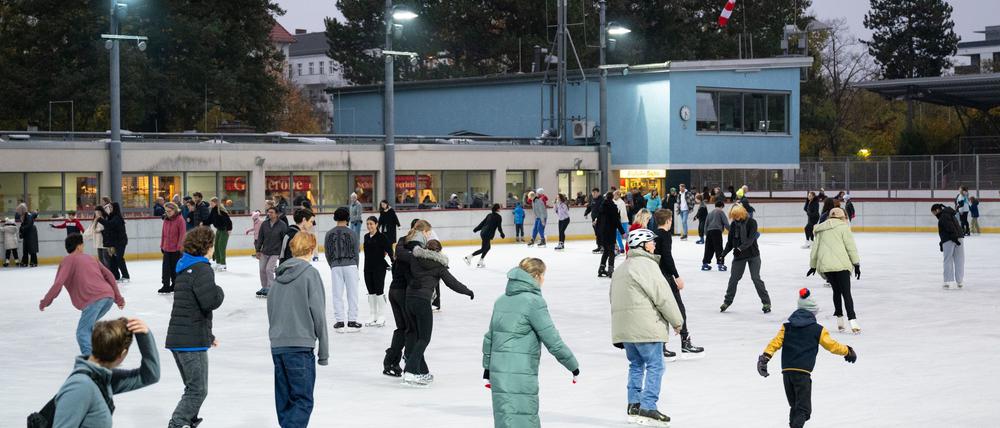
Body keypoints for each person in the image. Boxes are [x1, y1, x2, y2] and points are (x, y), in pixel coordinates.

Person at [482, 258, 579, 428]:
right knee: (524, 418)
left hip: (499, 372)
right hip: (520, 372)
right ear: (536, 276)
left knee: (506, 418)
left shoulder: (501, 300)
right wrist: (572, 364)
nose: (543, 280)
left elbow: (490, 337)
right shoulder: (533, 302)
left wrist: (487, 368)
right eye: (543, 275)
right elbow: (552, 339)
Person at [611, 228, 684, 426]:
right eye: (651, 241)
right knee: (655, 365)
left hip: (626, 330)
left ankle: (634, 405)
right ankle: (648, 407)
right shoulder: (648, 267)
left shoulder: (621, 269)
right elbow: (664, 297)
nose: (654, 245)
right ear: (642, 245)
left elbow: (613, 300)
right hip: (646, 327)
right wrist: (677, 322)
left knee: (636, 365)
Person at [757, 289, 856, 428]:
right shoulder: (817, 329)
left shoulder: (787, 327)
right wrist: (847, 351)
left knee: (795, 407)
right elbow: (831, 346)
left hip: (787, 372)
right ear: (812, 312)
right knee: (803, 409)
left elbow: (775, 343)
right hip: (802, 373)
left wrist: (764, 358)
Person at [46, 317, 160, 427]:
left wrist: (144, 336)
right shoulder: (81, 386)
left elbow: (150, 376)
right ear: (122, 354)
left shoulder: (103, 378)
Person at [165, 226, 225, 428]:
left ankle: (188, 420)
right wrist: (220, 291)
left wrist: (208, 335)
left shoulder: (184, 267)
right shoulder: (202, 268)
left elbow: (191, 308)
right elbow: (210, 301)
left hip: (180, 337)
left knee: (192, 387)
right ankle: (177, 423)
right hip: (190, 341)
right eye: (212, 244)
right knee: (198, 389)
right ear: (207, 246)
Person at [268, 232, 329, 427]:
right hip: (300, 347)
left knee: (284, 401)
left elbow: (272, 311)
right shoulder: (310, 274)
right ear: (311, 249)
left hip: (278, 346)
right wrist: (324, 352)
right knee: (302, 400)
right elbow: (318, 313)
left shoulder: (278, 277)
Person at [39, 234, 126, 356]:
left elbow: (58, 284)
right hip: (108, 298)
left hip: (93, 300)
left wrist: (45, 301)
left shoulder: (67, 261)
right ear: (79, 246)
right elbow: (110, 276)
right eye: (82, 245)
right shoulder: (91, 258)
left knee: (82, 332)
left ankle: (91, 361)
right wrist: (118, 298)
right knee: (89, 328)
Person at [404, 240, 474, 386]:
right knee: (424, 338)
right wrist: (468, 291)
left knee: (414, 335)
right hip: (423, 302)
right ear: (439, 252)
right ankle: (410, 372)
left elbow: (400, 255)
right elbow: (452, 283)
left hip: (409, 299)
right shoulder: (439, 266)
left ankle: (421, 371)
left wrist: (408, 244)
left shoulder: (415, 258)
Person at [383, 220, 432, 377]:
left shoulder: (403, 243)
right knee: (411, 330)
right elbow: (411, 270)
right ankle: (412, 364)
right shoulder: (413, 247)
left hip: (394, 290)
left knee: (403, 328)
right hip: (403, 292)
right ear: (421, 232)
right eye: (427, 233)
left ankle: (392, 361)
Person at [653, 209, 704, 357]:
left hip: (656, 276)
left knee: (661, 310)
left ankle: (661, 346)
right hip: (666, 277)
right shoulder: (665, 235)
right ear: (668, 221)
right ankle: (685, 342)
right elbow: (667, 257)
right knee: (678, 308)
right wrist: (676, 276)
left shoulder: (653, 235)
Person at [807, 208, 862, 334]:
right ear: (842, 217)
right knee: (846, 293)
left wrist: (813, 266)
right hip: (841, 266)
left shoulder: (820, 229)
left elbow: (815, 249)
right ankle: (853, 321)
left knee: (836, 292)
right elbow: (851, 247)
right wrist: (856, 264)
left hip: (827, 266)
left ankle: (840, 321)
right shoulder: (844, 227)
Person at [720, 204, 771, 313]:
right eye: (734, 216)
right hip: (739, 257)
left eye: (737, 216)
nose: (735, 218)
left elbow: (751, 239)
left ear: (742, 213)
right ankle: (727, 301)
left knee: (755, 278)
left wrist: (739, 248)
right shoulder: (733, 225)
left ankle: (766, 302)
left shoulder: (752, 222)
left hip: (753, 255)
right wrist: (723, 254)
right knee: (733, 279)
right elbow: (730, 243)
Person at [326, 207, 361, 333]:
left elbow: (328, 252)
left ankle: (340, 321)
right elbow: (356, 252)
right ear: (348, 218)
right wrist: (356, 266)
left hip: (335, 265)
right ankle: (352, 320)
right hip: (351, 265)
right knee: (352, 294)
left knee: (337, 294)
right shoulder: (352, 233)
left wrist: (333, 265)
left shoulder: (329, 233)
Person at [363, 215, 394, 327]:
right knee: (371, 292)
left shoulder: (382, 237)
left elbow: (390, 250)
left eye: (371, 224)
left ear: (376, 225)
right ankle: (373, 315)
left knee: (379, 291)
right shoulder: (366, 237)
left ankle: (381, 315)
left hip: (379, 268)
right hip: (367, 268)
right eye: (367, 224)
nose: (369, 226)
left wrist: (393, 261)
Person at [255, 206, 288, 297]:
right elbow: (260, 238)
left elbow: (285, 239)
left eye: (271, 212)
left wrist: (283, 252)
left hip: (276, 252)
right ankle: (264, 287)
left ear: (277, 214)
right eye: (268, 212)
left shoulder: (282, 225)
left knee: (269, 269)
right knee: (262, 270)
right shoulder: (264, 224)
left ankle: (271, 287)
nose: (269, 214)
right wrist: (258, 250)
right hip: (265, 251)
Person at [932, 203, 964, 289]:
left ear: (937, 210)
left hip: (951, 239)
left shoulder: (943, 216)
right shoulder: (949, 213)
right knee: (959, 259)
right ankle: (959, 281)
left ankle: (947, 281)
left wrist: (954, 238)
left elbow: (950, 227)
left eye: (934, 213)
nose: (934, 215)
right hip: (959, 237)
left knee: (948, 259)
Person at [97, 202, 129, 282]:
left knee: (119, 258)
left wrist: (99, 219)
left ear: (115, 208)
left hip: (120, 242)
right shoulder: (111, 216)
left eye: (111, 208)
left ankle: (126, 276)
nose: (110, 209)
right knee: (113, 259)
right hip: (114, 242)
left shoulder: (117, 218)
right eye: (109, 208)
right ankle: (116, 276)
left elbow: (109, 225)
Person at [159, 202, 186, 294]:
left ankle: (175, 285)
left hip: (176, 249)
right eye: (166, 211)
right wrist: (162, 245)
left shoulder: (180, 219)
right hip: (166, 248)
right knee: (165, 268)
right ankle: (165, 285)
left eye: (169, 211)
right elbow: (163, 234)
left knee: (175, 268)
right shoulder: (166, 219)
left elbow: (182, 235)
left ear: (174, 210)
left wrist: (179, 247)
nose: (167, 213)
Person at [701, 200, 729, 272]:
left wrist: (706, 233)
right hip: (717, 232)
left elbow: (706, 224)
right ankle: (720, 264)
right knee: (718, 248)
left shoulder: (710, 213)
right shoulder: (720, 212)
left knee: (708, 248)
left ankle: (705, 263)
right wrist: (731, 230)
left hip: (709, 232)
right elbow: (726, 222)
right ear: (722, 206)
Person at [206, 197, 232, 272]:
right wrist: (203, 222)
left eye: (212, 203)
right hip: (218, 230)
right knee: (216, 246)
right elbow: (209, 220)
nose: (211, 204)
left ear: (216, 203)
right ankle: (218, 263)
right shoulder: (213, 210)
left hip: (224, 230)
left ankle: (223, 265)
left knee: (221, 247)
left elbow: (228, 221)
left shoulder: (221, 210)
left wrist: (229, 229)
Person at [583, 188, 604, 253]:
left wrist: (597, 219)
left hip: (600, 220)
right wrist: (586, 213)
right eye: (592, 193)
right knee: (597, 233)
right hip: (594, 220)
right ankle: (599, 246)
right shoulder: (593, 199)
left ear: (598, 193)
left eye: (595, 192)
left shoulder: (602, 200)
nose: (593, 194)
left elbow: (602, 210)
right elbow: (589, 207)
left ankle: (603, 247)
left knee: (601, 233)